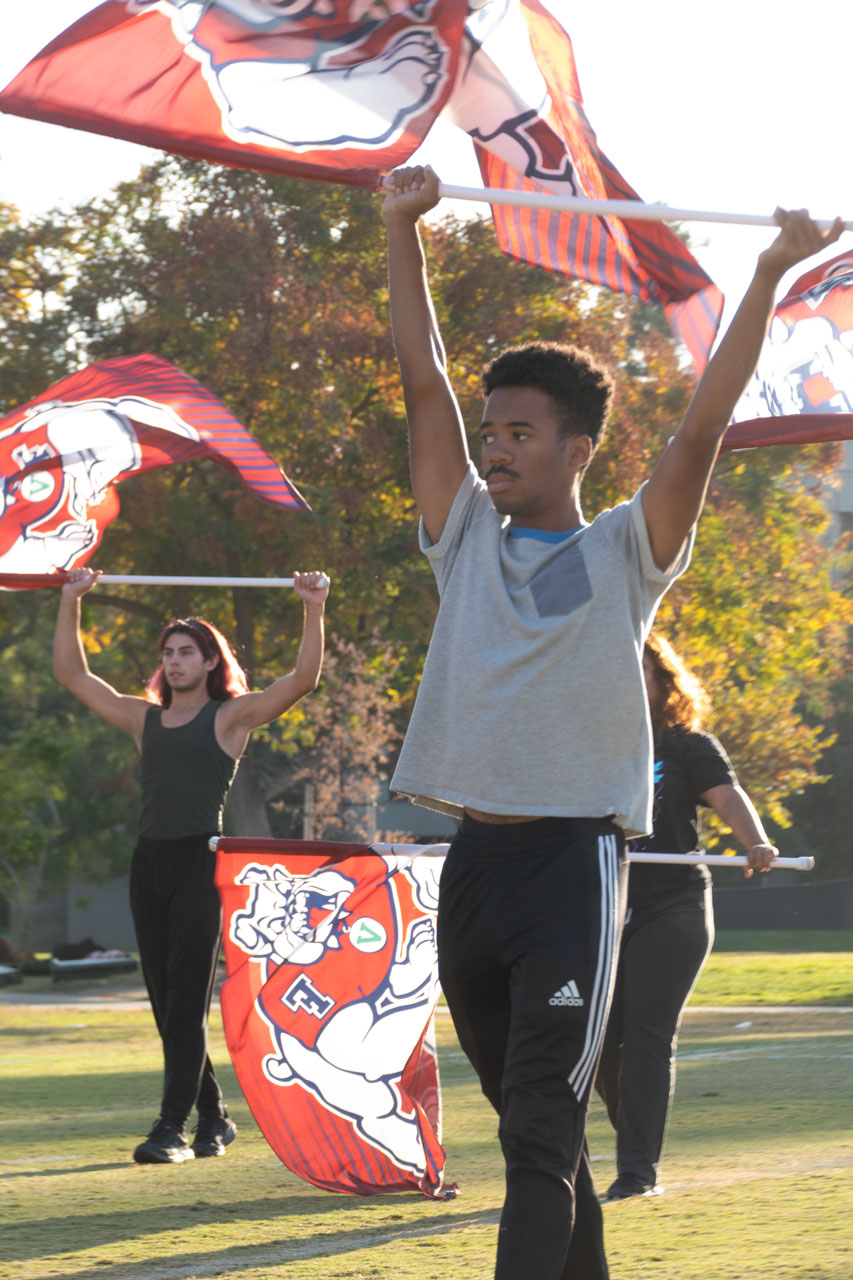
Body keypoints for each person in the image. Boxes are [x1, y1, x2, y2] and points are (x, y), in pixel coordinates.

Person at [381, 162, 841, 1280]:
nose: (494, 444)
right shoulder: (462, 538)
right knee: (529, 1130)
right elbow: (421, 375)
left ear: (577, 449)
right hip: (473, 864)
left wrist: (772, 269)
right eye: (490, 429)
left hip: (572, 864)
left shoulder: (626, 549)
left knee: (540, 1131)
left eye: (520, 432)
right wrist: (402, 231)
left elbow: (701, 427)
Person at [53, 567, 329, 1164]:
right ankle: (215, 1118)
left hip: (201, 864)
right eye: (168, 653)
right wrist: (72, 599)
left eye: (187, 652)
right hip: (148, 864)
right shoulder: (142, 717)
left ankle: (170, 1129)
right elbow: (72, 675)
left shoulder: (229, 719)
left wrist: (313, 607)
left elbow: (303, 680)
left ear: (210, 662)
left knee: (183, 1006)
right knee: (165, 1007)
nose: (174, 661)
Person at [595, 632, 777, 1202]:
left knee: (647, 1037)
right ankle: (638, 1137)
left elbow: (728, 798)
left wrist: (757, 841)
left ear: (661, 681)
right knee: (598, 1044)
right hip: (605, 908)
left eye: (639, 671)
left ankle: (636, 1173)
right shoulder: (587, 746)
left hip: (673, 907)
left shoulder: (687, 745)